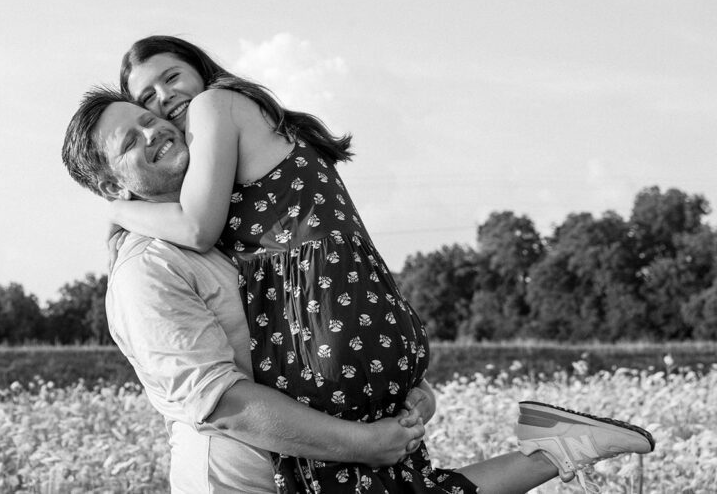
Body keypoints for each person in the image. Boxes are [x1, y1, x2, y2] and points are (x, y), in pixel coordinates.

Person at [62, 81, 654, 494]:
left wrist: (396, 388)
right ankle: (562, 447)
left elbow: (305, 316)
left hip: (311, 453)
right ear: (115, 186)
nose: (154, 130)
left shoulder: (222, 227)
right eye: (129, 141)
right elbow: (223, 403)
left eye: (149, 118)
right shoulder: (148, 269)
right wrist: (359, 442)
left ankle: (562, 447)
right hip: (244, 475)